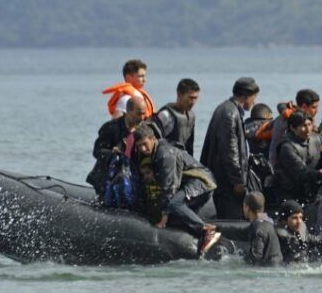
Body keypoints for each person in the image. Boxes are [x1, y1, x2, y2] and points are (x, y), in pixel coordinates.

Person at [132, 125, 221, 256]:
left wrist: (163, 218)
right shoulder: (155, 152)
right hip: (193, 184)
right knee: (177, 216)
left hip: (201, 181)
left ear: (153, 139)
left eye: (145, 144)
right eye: (139, 146)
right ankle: (202, 240)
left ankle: (207, 230)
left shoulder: (165, 154)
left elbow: (169, 186)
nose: (143, 149)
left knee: (174, 204)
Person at [201, 77, 259, 219]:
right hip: (226, 182)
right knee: (233, 218)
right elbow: (229, 150)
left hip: (225, 178)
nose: (254, 102)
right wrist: (237, 180)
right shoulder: (229, 113)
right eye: (254, 97)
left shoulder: (229, 109)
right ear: (246, 96)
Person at [86, 96, 147, 201]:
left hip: (131, 177)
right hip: (106, 177)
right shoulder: (111, 128)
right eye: (138, 113)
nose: (142, 118)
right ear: (128, 111)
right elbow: (96, 152)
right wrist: (111, 153)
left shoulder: (144, 130)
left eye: (143, 114)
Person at [273, 111, 322, 204]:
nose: (308, 129)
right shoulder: (287, 147)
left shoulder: (317, 139)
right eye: (303, 126)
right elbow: (301, 172)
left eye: (309, 124)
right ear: (292, 128)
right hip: (292, 194)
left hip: (315, 189)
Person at [268, 89, 321, 166]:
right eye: (314, 107)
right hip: (281, 165)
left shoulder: (302, 118)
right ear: (304, 107)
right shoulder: (289, 121)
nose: (317, 111)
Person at [150, 78, 199, 155]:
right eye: (190, 98)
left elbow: (190, 146)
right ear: (179, 95)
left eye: (196, 98)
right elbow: (151, 140)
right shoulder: (166, 115)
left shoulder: (191, 116)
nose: (193, 102)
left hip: (184, 160)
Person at [243, 192, 283, 266]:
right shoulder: (269, 222)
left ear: (247, 208)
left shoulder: (258, 227)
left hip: (269, 271)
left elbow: (256, 255)